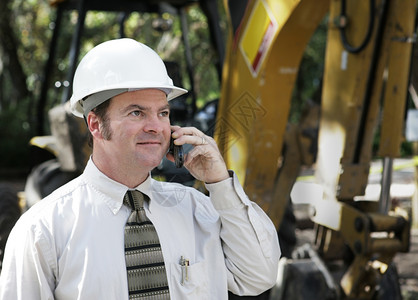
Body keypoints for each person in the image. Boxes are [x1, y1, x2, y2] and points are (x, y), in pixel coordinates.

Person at [0, 38, 280, 299]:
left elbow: (258, 276)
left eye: (163, 113)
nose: (156, 126)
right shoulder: (42, 230)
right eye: (137, 112)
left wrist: (219, 182)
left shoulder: (198, 209)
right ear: (95, 124)